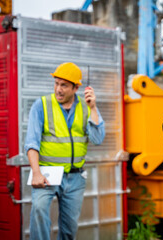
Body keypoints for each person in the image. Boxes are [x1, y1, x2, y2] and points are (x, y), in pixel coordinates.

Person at [24, 62, 105, 240]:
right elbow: (31, 143)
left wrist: (93, 109)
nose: (58, 89)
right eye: (56, 83)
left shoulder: (87, 107)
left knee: (69, 229)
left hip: (75, 177)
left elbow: (97, 139)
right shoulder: (42, 105)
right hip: (46, 174)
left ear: (76, 87)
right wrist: (36, 173)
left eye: (64, 85)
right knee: (38, 209)